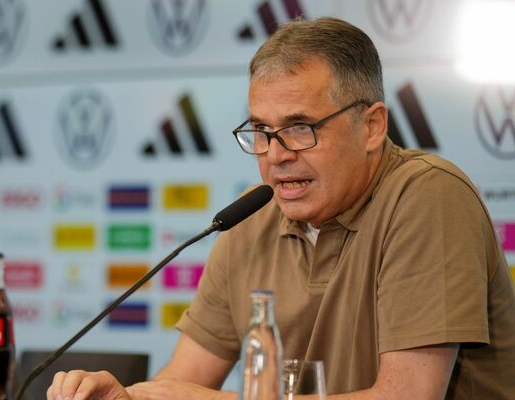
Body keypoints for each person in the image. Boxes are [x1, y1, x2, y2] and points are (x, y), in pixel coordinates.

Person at [47, 17, 515, 400]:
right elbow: (186, 381)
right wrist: (128, 398)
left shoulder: (428, 195)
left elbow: (408, 396)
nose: (275, 155)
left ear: (371, 127)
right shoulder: (251, 222)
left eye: (299, 128)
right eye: (261, 131)